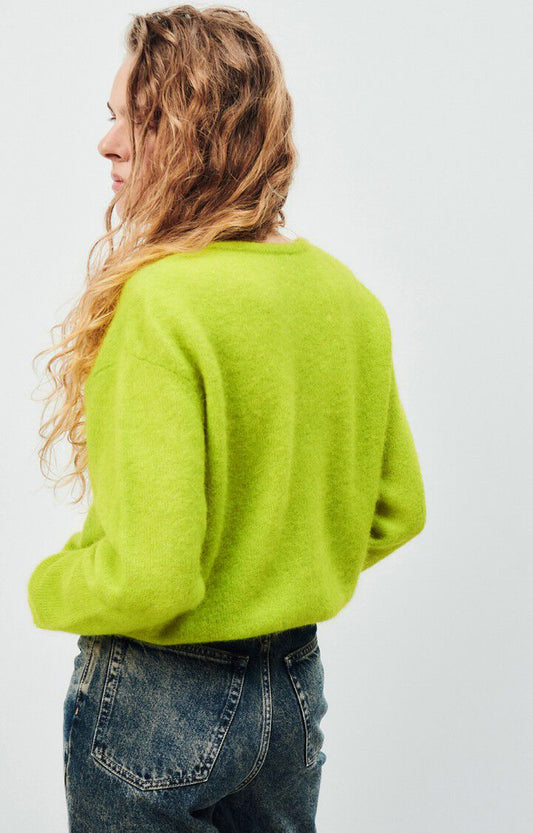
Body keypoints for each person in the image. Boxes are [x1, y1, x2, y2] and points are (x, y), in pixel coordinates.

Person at [26, 6, 426, 831]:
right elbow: (397, 511)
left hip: (158, 694)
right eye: (112, 116)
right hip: (292, 687)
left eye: (140, 121)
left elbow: (153, 577)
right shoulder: (345, 296)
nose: (107, 143)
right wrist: (274, 572)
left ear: (199, 137)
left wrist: (48, 585)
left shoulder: (163, 303)